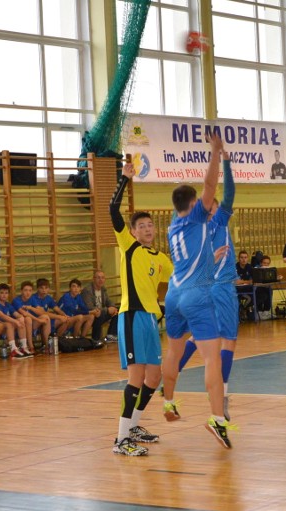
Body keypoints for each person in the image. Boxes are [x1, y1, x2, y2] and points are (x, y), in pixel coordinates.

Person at [161, 132, 235, 449]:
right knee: (213, 358)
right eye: (204, 203)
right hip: (199, 292)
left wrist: (209, 256)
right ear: (194, 205)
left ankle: (168, 401)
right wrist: (216, 151)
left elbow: (192, 253)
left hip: (174, 293)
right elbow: (209, 188)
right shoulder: (197, 217)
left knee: (175, 350)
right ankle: (218, 418)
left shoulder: (174, 226)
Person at [110, 161, 173, 456]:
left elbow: (180, 278)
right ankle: (121, 440)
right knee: (135, 379)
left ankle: (133, 426)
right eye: (142, 226)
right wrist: (123, 179)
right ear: (133, 232)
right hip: (132, 316)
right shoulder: (129, 247)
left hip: (149, 319)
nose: (147, 229)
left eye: (150, 225)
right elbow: (113, 211)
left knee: (154, 377)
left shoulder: (159, 257)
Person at [0, 283, 33, 358]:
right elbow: (2, 316)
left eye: (6, 293)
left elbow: (16, 314)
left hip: (7, 327)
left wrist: (20, 317)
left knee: (21, 321)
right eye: (2, 293)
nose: (4, 295)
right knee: (10, 323)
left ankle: (23, 347)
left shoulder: (8, 304)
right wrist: (16, 321)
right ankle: (13, 350)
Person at [12, 280, 51, 353]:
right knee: (28, 319)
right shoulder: (16, 300)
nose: (28, 293)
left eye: (30, 290)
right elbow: (24, 313)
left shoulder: (32, 298)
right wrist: (38, 320)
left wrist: (31, 308)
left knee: (46, 317)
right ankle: (30, 346)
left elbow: (41, 312)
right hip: (20, 326)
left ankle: (46, 345)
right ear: (21, 291)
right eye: (25, 290)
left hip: (31, 325)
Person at [80, 270, 118, 342]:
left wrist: (113, 307)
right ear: (93, 279)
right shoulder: (87, 290)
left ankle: (110, 335)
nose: (101, 280)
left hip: (100, 313)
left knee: (117, 311)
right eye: (98, 278)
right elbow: (90, 307)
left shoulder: (103, 289)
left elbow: (108, 301)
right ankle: (95, 339)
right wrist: (107, 310)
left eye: (103, 278)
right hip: (90, 314)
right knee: (98, 314)